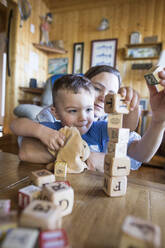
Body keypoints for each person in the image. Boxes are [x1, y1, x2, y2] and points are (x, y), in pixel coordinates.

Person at [11, 73, 165, 172]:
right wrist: (41, 131)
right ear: (55, 113)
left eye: (88, 110)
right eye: (73, 111)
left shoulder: (98, 128)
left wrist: (157, 120)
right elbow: (16, 125)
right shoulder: (54, 129)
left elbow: (133, 141)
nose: (83, 117)